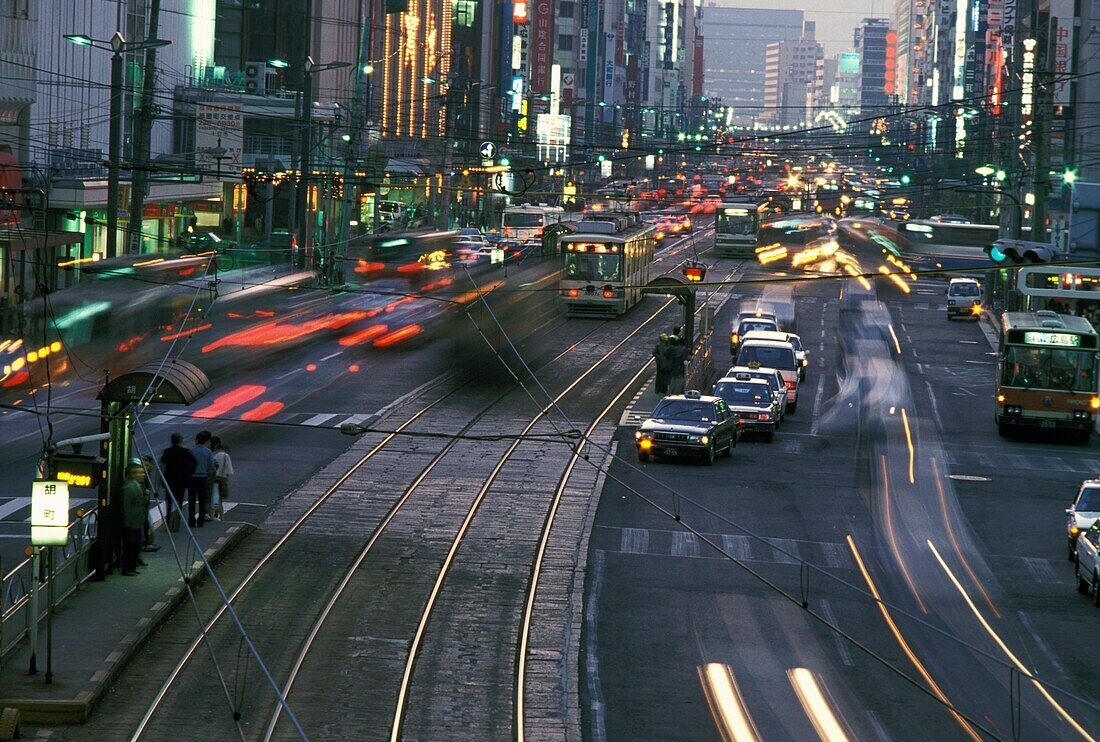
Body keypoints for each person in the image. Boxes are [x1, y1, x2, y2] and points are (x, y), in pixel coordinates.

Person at [160, 432, 196, 530]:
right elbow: (194, 461)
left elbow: (163, 461)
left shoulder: (167, 451)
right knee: (179, 502)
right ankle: (177, 522)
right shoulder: (185, 451)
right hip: (181, 480)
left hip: (170, 479)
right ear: (180, 441)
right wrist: (189, 473)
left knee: (169, 502)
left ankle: (168, 522)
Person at [120, 461, 147, 576]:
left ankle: (132, 567)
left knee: (136, 545)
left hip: (137, 521)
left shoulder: (138, 486)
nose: (142, 475)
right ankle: (127, 568)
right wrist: (127, 521)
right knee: (130, 546)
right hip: (131, 522)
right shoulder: (129, 488)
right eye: (139, 473)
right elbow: (126, 506)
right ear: (133, 475)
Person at [187, 431, 215, 527]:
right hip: (203, 477)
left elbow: (188, 465)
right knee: (202, 500)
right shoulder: (208, 452)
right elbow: (211, 466)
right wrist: (209, 475)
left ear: (197, 440)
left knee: (192, 499)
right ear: (206, 441)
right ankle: (201, 520)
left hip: (192, 478)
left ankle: (191, 520)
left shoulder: (191, 451)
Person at [210, 436, 234, 522]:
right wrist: (228, 481)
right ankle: (221, 517)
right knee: (218, 500)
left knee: (214, 498)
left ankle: (213, 515)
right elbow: (229, 471)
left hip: (212, 478)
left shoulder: (212, 455)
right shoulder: (224, 456)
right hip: (222, 479)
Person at [140, 455, 161, 552]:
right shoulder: (142, 476)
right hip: (141, 505)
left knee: (148, 523)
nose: (146, 467)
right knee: (146, 524)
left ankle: (148, 542)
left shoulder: (146, 475)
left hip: (144, 503)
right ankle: (146, 543)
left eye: (148, 465)